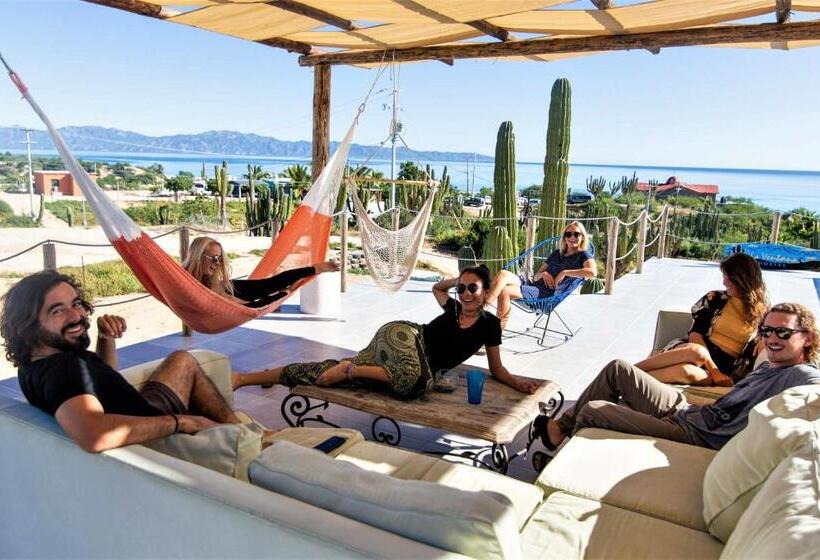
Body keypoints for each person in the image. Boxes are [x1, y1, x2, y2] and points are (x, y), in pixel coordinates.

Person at [0, 271, 253, 452]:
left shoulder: (32, 365)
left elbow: (103, 380)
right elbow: (94, 434)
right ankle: (243, 436)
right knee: (185, 362)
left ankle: (237, 429)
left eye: (76, 304)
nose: (76, 315)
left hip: (137, 408)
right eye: (57, 311)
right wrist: (181, 422)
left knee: (182, 359)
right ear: (27, 326)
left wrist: (106, 338)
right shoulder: (63, 368)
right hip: (151, 430)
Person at [536, 302, 820, 452]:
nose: (772, 338)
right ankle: (560, 428)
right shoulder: (771, 366)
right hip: (690, 410)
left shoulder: (799, 374)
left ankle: (559, 449)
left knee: (593, 410)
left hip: (696, 435)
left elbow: (815, 389)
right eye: (766, 331)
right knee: (618, 369)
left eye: (783, 332)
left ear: (808, 338)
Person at [233, 265, 541, 398]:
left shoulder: (488, 326)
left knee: (321, 372)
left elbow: (497, 368)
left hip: (414, 364)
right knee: (415, 383)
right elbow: (438, 288)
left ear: (485, 290)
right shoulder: (453, 308)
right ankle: (352, 369)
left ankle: (244, 379)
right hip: (404, 338)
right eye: (462, 288)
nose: (465, 294)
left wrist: (518, 383)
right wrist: (457, 279)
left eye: (472, 288)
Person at [635, 252, 767, 387]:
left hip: (724, 368)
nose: (724, 282)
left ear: (742, 279)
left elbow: (771, 339)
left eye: (728, 278)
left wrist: (765, 340)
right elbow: (695, 335)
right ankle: (630, 370)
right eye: (724, 277)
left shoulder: (764, 315)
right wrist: (713, 370)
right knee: (697, 352)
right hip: (694, 351)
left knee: (686, 371)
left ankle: (630, 379)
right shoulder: (715, 298)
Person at [486, 221, 596, 329]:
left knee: (505, 291)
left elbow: (592, 272)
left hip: (546, 296)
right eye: (568, 234)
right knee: (503, 274)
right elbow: (536, 277)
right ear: (564, 237)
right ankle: (481, 309)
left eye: (576, 234)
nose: (572, 237)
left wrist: (564, 272)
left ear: (582, 237)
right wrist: (544, 274)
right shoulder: (556, 253)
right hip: (533, 287)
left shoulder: (583, 254)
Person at [183, 236, 339, 308]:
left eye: (220, 258)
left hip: (228, 287)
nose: (217, 263)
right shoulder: (183, 279)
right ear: (198, 256)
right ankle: (285, 291)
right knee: (256, 303)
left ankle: (315, 268)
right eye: (213, 258)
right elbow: (248, 308)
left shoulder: (212, 281)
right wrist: (283, 295)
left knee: (268, 284)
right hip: (228, 295)